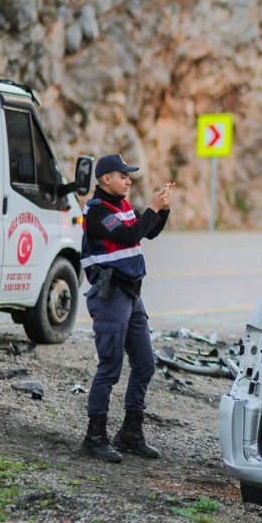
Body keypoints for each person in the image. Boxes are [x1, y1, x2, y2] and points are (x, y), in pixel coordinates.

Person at [79, 153, 173, 463]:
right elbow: (129, 234)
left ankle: (131, 434)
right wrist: (153, 208)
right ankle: (94, 438)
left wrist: (164, 209)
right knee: (110, 367)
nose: (129, 180)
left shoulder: (122, 207)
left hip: (133, 295)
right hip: (111, 296)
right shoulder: (96, 211)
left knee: (145, 364)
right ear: (106, 179)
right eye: (124, 176)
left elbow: (148, 231)